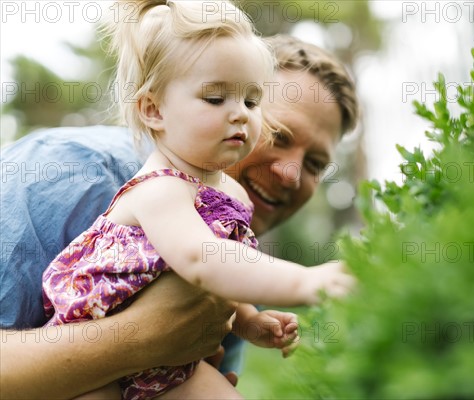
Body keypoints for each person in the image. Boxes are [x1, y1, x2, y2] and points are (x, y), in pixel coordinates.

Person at [0, 8, 359, 400]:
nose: (291, 174)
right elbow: (203, 259)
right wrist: (308, 280)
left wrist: (249, 320)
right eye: (281, 134)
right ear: (155, 110)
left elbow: (222, 272)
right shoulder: (120, 180)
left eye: (316, 164)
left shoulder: (233, 230)